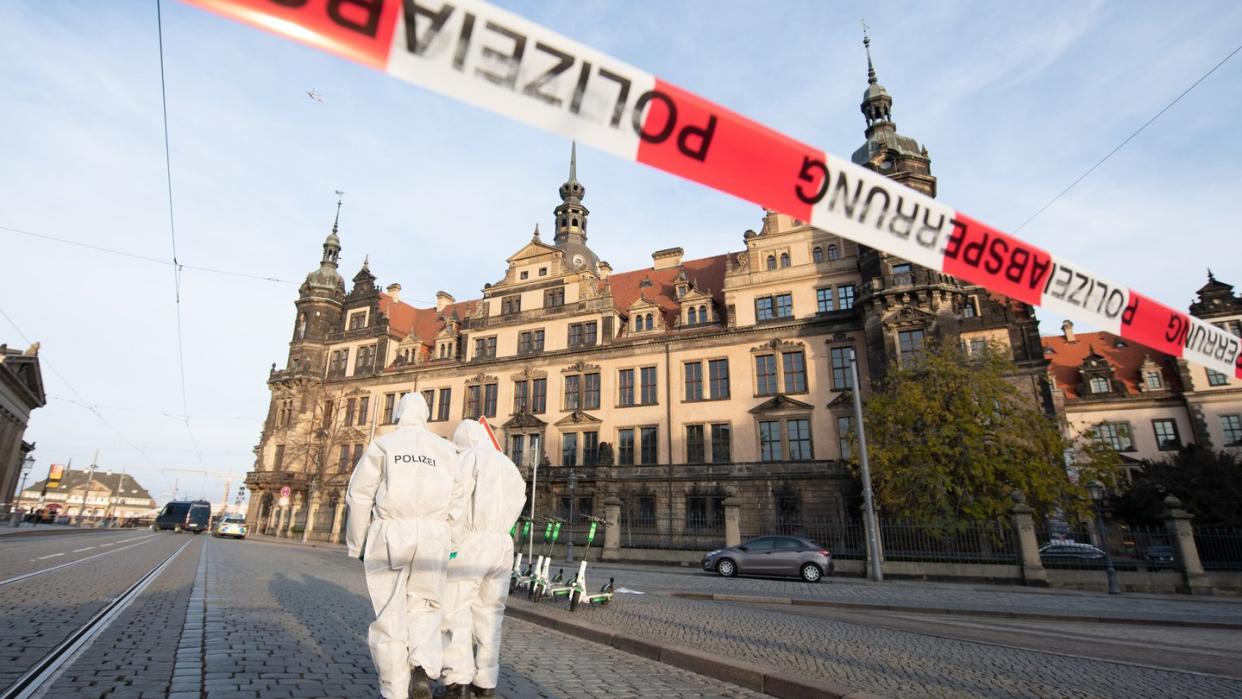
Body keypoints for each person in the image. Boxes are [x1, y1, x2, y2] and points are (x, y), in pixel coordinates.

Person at [346, 392, 466, 699]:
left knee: (390, 612)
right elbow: (459, 499)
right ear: (426, 416)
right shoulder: (446, 449)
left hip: (392, 532)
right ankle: (422, 666)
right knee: (425, 604)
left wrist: (357, 543)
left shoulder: (385, 444)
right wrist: (449, 539)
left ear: (399, 414)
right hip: (433, 534)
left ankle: (394, 690)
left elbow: (359, 495)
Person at [440, 420, 528, 697]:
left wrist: (450, 541)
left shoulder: (468, 459)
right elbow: (520, 497)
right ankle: (486, 681)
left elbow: (456, 502)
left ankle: (458, 679)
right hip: (502, 543)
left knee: (456, 608)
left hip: (472, 540)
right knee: (491, 613)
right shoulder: (507, 464)